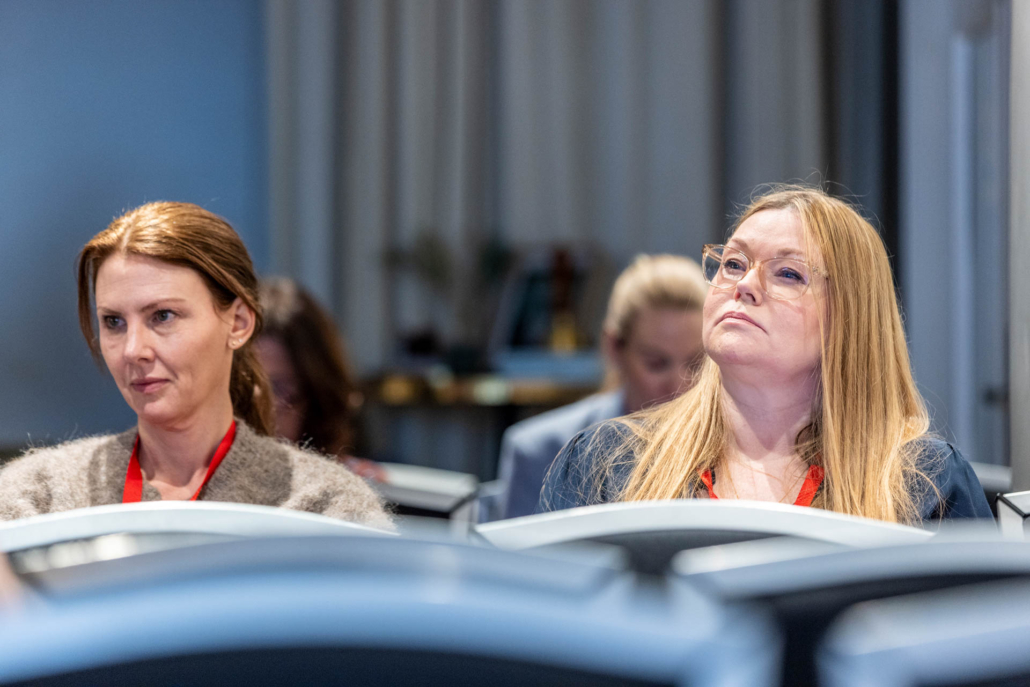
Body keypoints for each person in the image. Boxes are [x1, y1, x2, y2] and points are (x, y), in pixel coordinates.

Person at [540, 186, 992, 523]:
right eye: (733, 263)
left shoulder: (928, 481)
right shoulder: (606, 462)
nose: (744, 285)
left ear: (850, 318)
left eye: (788, 274)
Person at [0, 202, 390, 528]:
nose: (133, 350)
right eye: (114, 322)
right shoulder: (36, 496)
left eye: (163, 316)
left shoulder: (324, 505)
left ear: (238, 323)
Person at [497, 254, 708, 520]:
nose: (679, 385)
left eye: (697, 364)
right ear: (614, 348)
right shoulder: (541, 452)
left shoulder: (732, 452)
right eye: (656, 363)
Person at [255, 277, 383, 480]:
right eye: (238, 383)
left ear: (317, 397)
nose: (254, 407)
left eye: (277, 388)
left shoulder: (347, 488)